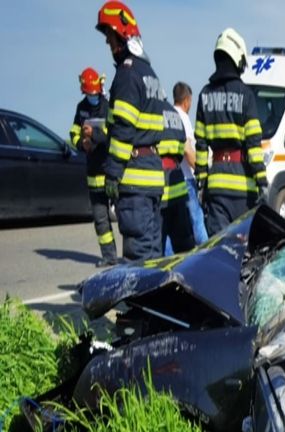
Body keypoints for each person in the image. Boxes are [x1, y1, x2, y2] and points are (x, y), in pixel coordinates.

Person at [95, 1, 166, 261]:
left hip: (134, 180)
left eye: (109, 36)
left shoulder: (126, 76)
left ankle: (139, 302)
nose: (108, 43)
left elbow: (123, 130)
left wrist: (112, 174)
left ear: (121, 34)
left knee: (138, 257)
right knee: (152, 253)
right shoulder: (150, 73)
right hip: (152, 178)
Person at [195, 28, 267, 236]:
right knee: (242, 250)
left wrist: (202, 180)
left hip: (216, 187)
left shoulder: (205, 94)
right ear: (237, 58)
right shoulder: (246, 95)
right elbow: (253, 145)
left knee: (219, 249)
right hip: (243, 189)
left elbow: (200, 145)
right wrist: (261, 181)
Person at [70, 67, 118, 267]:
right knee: (100, 220)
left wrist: (94, 134)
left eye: (93, 93)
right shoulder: (81, 108)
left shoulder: (108, 107)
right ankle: (109, 257)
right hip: (93, 174)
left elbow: (113, 136)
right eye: (88, 94)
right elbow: (73, 133)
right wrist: (82, 142)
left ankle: (133, 257)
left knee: (125, 217)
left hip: (110, 171)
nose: (91, 97)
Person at [157, 99, 196, 255]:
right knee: (185, 245)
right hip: (177, 183)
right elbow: (183, 149)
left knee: (158, 245)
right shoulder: (173, 113)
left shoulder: (149, 109)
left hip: (157, 183)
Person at [172, 81, 208, 245]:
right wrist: (201, 170)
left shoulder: (168, 115)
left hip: (171, 177)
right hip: (186, 178)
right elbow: (187, 150)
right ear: (187, 100)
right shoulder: (183, 118)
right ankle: (206, 255)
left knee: (172, 224)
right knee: (197, 220)